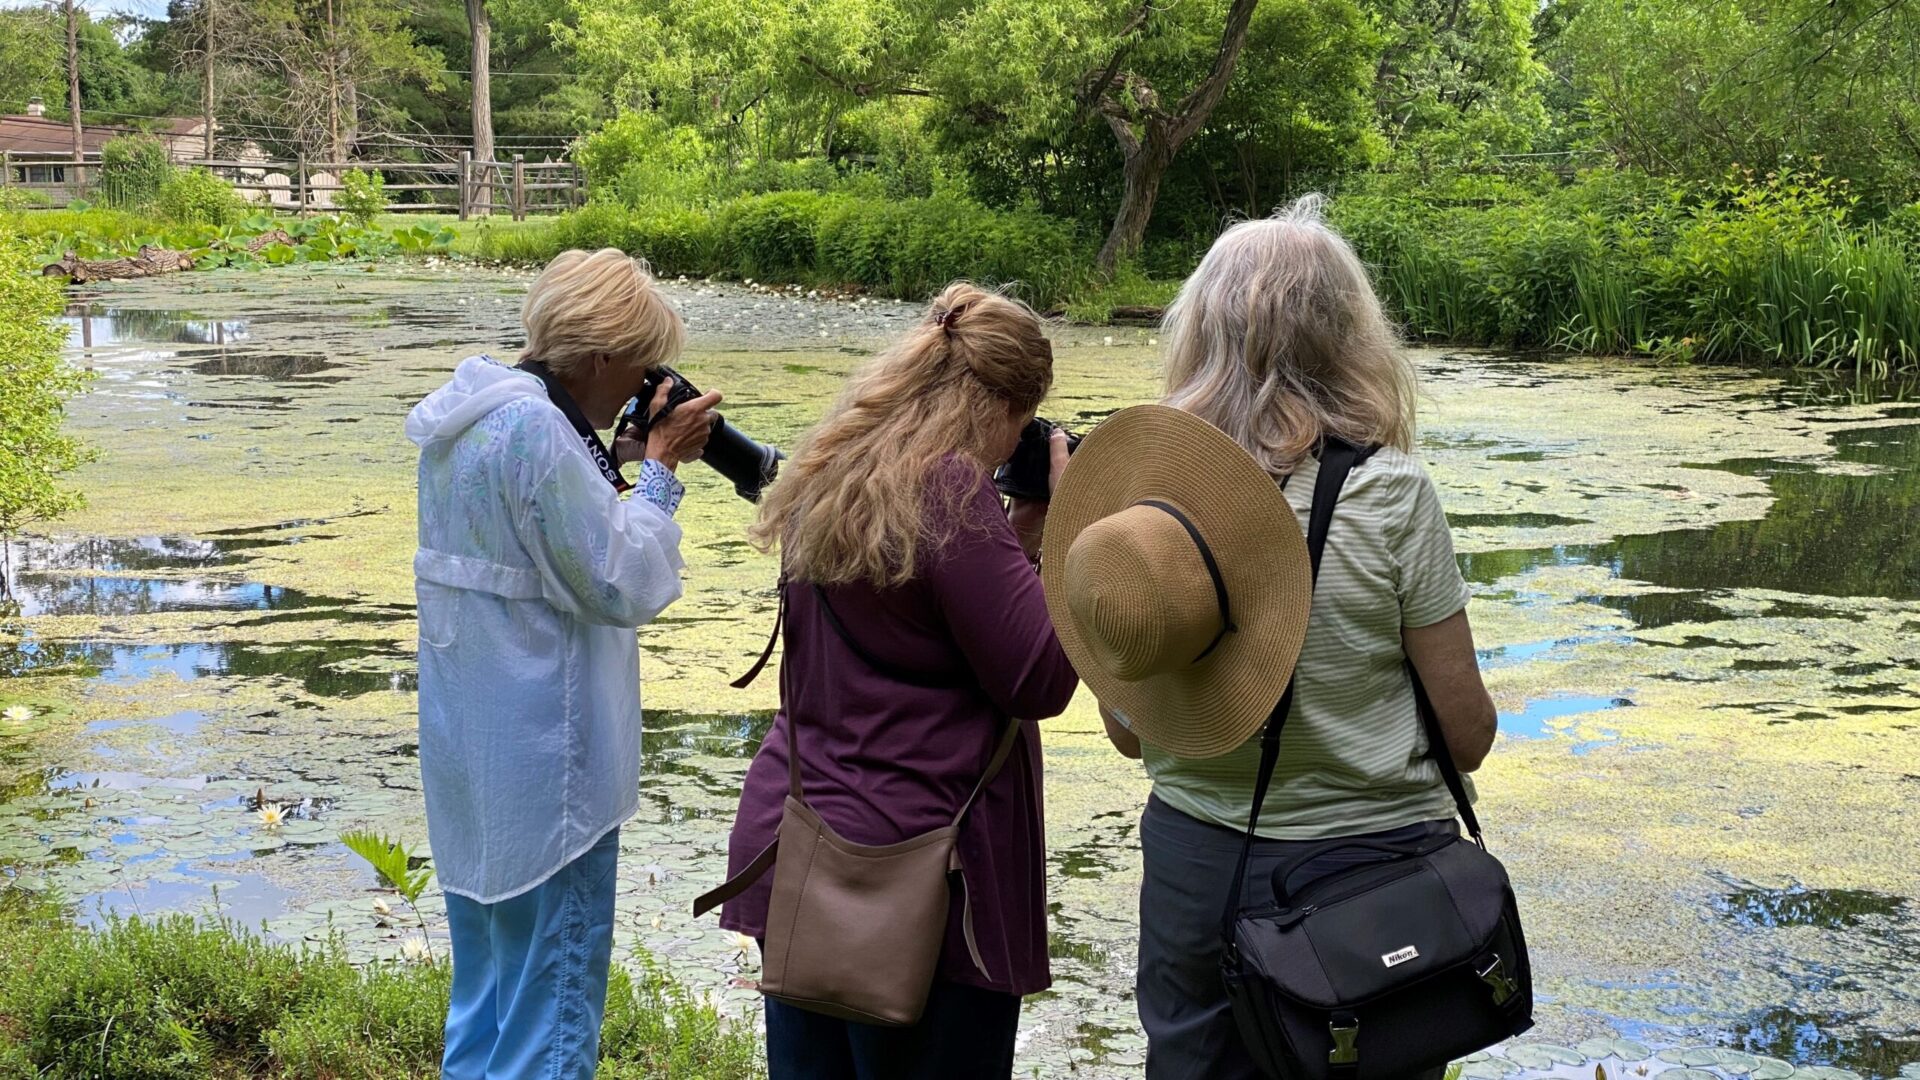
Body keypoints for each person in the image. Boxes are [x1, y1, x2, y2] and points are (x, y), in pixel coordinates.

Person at [1046, 197, 1498, 1080]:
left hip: (1196, 870)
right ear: (1348, 336)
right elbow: (1468, 737)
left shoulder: (1144, 512)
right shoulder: (1392, 495)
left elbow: (1131, 731)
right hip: (1376, 880)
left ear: (1200, 334)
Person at [716, 282, 1077, 1080]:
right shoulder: (949, 490)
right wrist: (1074, 528)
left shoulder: (837, 467)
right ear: (1005, 405)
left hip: (810, 850)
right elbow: (1040, 677)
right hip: (919, 881)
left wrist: (1018, 542)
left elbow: (921, 622)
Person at [405, 248, 721, 1080]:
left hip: (476, 766)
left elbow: (536, 549)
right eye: (640, 362)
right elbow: (619, 581)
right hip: (553, 778)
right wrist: (657, 473)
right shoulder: (539, 432)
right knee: (550, 1015)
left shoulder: (468, 418)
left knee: (486, 999)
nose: (643, 383)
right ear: (599, 355)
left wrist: (606, 467)